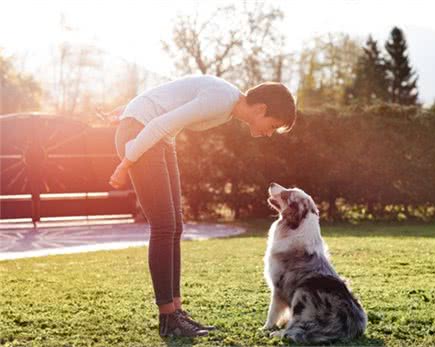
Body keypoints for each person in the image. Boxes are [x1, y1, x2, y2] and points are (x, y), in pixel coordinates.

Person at [109, 75, 297, 337]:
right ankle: (168, 318)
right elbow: (160, 122)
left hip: (157, 137)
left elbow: (173, 94)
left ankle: (175, 312)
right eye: (272, 125)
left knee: (174, 226)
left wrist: (132, 107)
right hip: (143, 136)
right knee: (164, 227)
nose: (268, 133)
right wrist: (125, 164)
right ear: (262, 109)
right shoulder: (222, 99)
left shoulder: (226, 105)